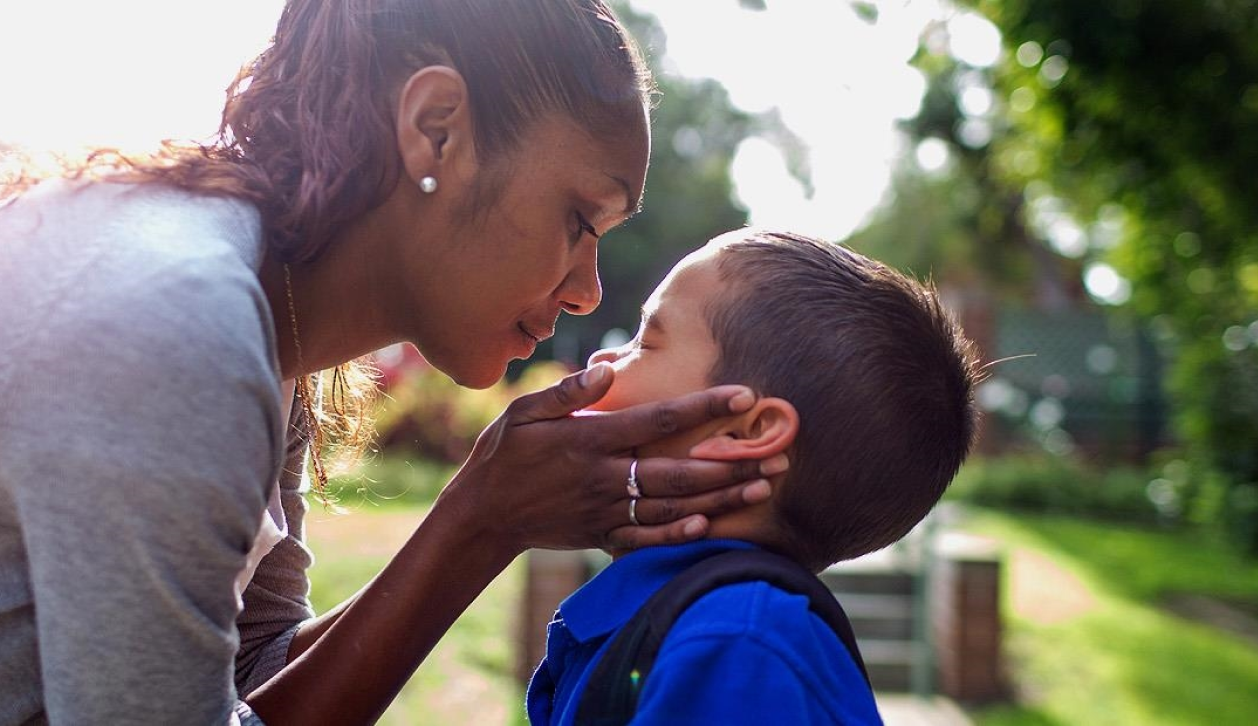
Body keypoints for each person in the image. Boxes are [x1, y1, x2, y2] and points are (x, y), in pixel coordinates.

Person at [0, 2, 782, 724]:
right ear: (435, 128)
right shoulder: (178, 322)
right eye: (580, 219)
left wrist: (485, 519)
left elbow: (252, 673)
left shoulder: (273, 329)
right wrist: (478, 522)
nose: (587, 293)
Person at [526, 229, 982, 725]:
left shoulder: (738, 648)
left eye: (647, 340)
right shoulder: (701, 626)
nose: (602, 359)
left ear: (748, 430)